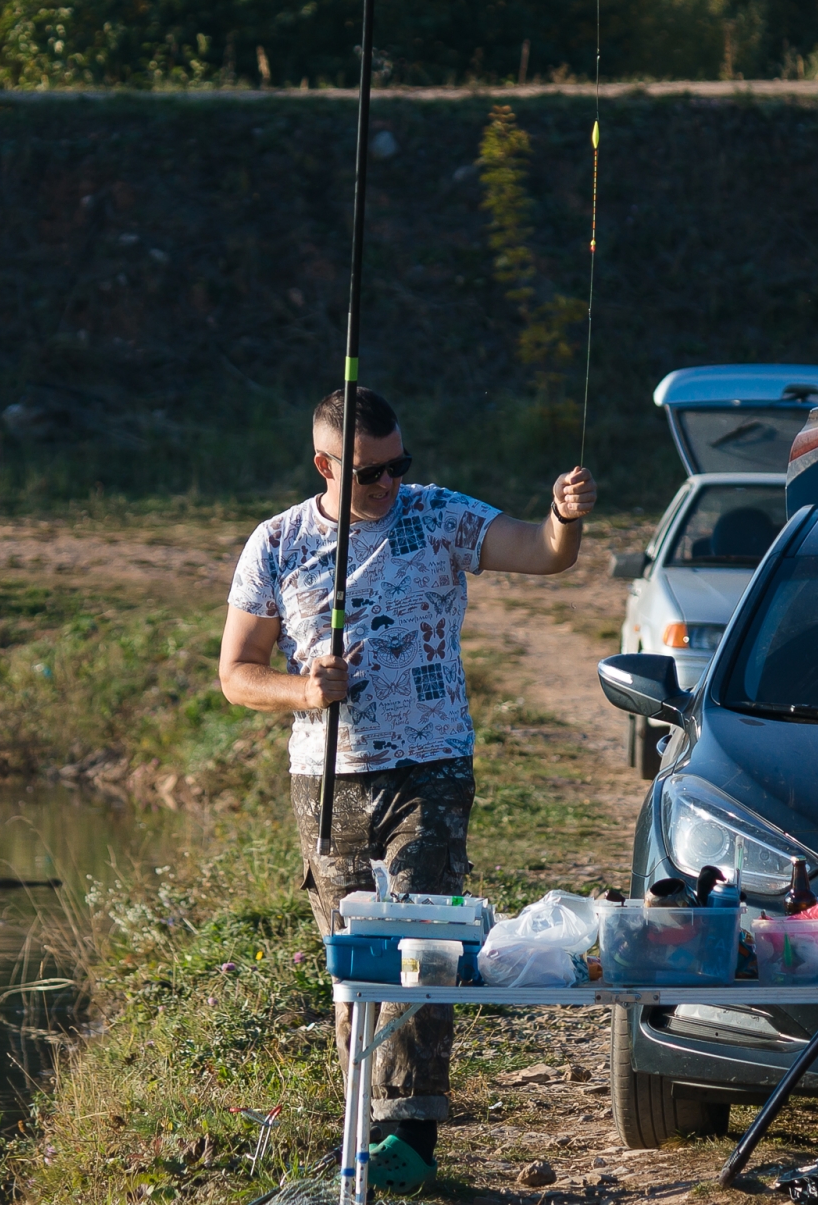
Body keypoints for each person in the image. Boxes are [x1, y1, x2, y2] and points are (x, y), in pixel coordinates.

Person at [219, 386, 596, 1187]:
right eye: (370, 474)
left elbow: (543, 552)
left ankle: (411, 1142)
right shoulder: (278, 543)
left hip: (432, 769)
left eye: (399, 467)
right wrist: (304, 691)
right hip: (328, 779)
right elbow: (236, 674)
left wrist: (563, 515)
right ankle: (366, 1121)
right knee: (355, 962)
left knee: (423, 948)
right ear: (326, 465)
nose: (390, 485)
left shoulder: (437, 515)